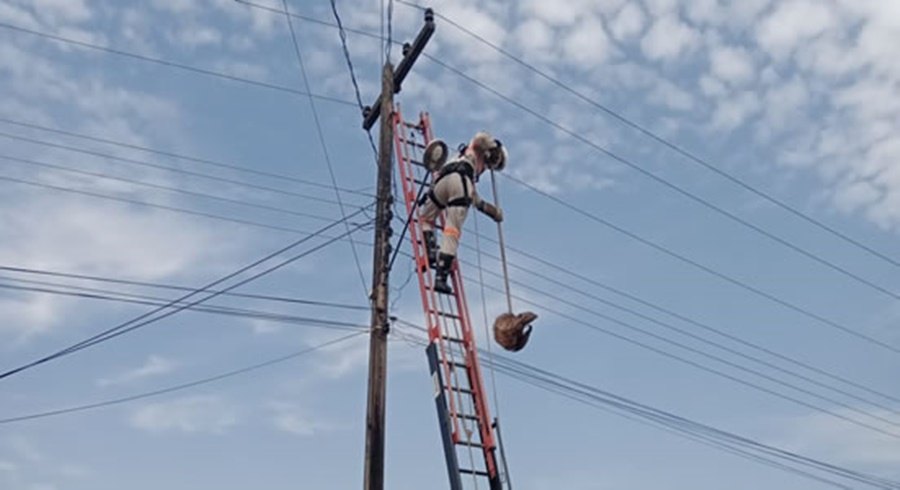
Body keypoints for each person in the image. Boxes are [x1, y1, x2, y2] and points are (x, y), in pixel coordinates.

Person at [419, 132, 506, 294]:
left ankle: (430, 250)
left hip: (441, 183)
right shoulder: (475, 153)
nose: (485, 169)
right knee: (451, 231)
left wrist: (493, 212)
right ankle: (441, 278)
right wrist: (494, 146)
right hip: (459, 183)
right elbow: (479, 139)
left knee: (425, 219)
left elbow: (476, 201)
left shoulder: (458, 158)